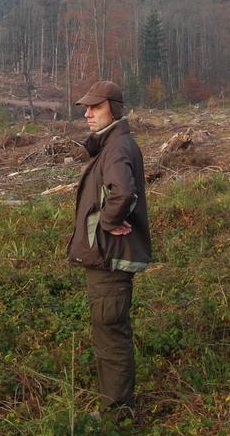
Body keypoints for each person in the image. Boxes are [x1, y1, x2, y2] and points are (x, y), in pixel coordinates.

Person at [67, 81, 152, 414]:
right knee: (111, 330)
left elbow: (123, 192)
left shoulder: (117, 148)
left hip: (109, 258)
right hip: (107, 257)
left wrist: (106, 224)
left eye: (95, 107)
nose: (88, 114)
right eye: (86, 108)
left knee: (110, 336)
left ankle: (117, 412)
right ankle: (117, 405)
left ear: (113, 109)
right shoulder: (114, 144)